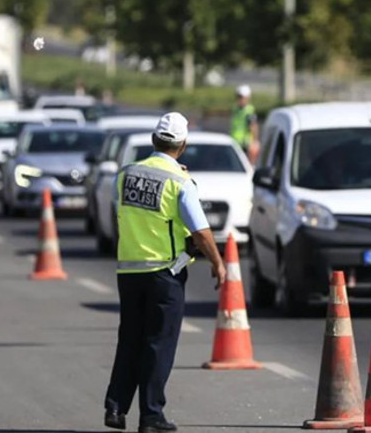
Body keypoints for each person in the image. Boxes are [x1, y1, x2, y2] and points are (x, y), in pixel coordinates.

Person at [104, 112, 226, 432]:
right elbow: (199, 232)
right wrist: (218, 263)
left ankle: (115, 408)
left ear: (153, 140)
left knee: (130, 339)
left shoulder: (126, 174)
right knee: (158, 344)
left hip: (128, 271)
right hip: (163, 273)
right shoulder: (180, 182)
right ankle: (151, 415)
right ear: (182, 146)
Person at [230, 85, 259, 163]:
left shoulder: (249, 111)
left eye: (242, 97)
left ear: (247, 98)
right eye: (239, 97)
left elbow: (253, 126)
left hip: (245, 144)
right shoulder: (235, 109)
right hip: (234, 141)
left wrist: (255, 142)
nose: (240, 99)